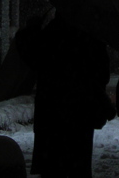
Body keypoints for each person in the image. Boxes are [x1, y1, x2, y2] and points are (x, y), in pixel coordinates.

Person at [15, 11, 111, 177]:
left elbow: (29, 53)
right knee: (78, 166)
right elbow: (103, 75)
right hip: (81, 113)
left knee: (52, 167)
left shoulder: (49, 37)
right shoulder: (90, 38)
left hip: (51, 112)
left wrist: (32, 28)